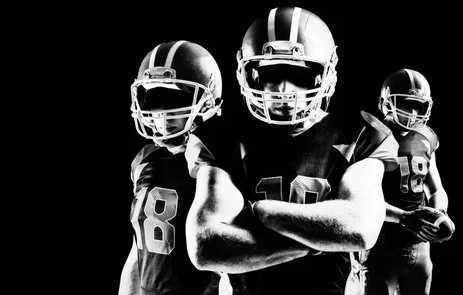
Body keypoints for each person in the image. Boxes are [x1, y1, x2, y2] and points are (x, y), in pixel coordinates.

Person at [184, 7, 400, 295]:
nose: (284, 90)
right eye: (270, 73)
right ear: (247, 72)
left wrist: (266, 212)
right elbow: (206, 246)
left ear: (327, 73)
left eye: (301, 74)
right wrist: (318, 240)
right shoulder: (224, 136)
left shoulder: (359, 133)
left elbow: (360, 228)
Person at [118, 40, 229, 295]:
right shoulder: (146, 158)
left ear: (207, 102)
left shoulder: (223, 162)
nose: (162, 112)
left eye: (175, 98)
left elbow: (231, 264)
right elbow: (140, 249)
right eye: (154, 98)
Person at [345, 68, 455, 295]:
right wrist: (404, 218)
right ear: (384, 103)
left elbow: (436, 188)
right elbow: (359, 201)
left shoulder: (426, 137)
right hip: (380, 242)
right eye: (405, 103)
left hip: (418, 243)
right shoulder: (371, 137)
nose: (413, 112)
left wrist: (439, 213)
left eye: (418, 105)